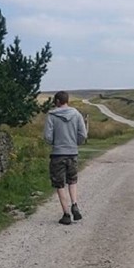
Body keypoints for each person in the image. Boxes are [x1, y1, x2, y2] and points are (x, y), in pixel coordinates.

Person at [43, 91, 88, 225]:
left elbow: (47, 136)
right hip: (72, 153)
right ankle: (74, 204)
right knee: (72, 181)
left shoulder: (51, 115)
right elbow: (83, 134)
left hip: (58, 153)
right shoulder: (77, 114)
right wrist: (76, 143)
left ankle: (66, 214)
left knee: (59, 184)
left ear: (57, 101)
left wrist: (54, 142)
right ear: (67, 100)